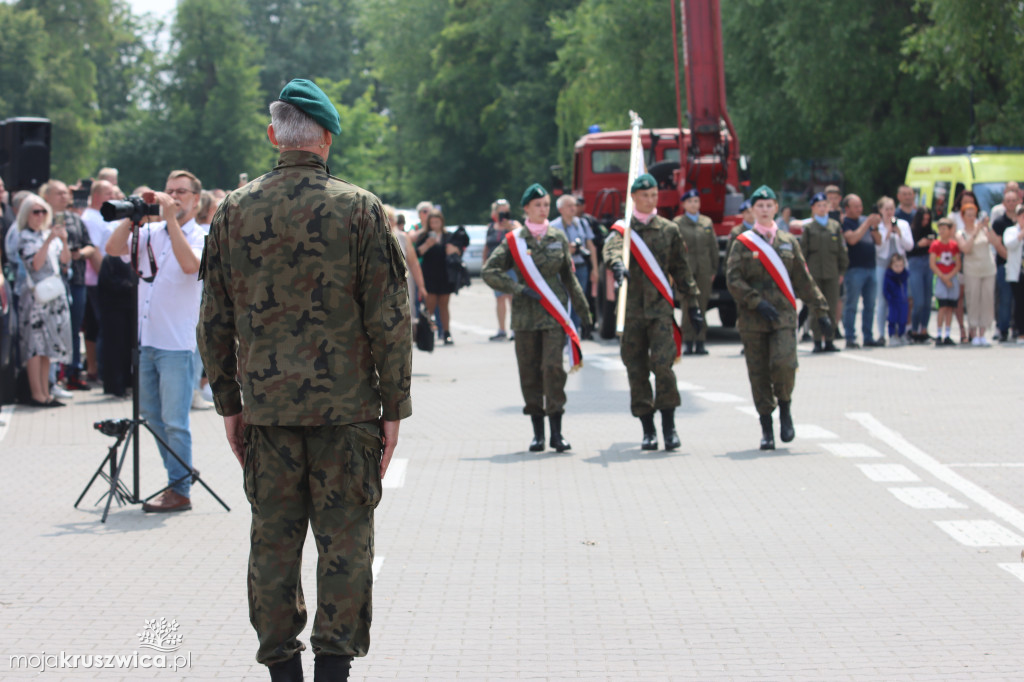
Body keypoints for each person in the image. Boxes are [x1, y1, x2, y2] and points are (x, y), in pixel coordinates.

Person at [197, 79, 412, 682]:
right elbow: (390, 321)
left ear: (274, 136)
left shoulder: (234, 210)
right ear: (328, 138)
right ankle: (333, 671)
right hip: (347, 415)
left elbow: (213, 319)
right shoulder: (360, 209)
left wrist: (228, 405)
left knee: (273, 545)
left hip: (266, 413)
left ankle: (282, 671)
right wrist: (393, 408)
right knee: (345, 544)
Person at [105, 170, 206, 511]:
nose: (173, 196)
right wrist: (134, 216)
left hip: (177, 344)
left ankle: (180, 490)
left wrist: (170, 221)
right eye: (169, 190)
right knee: (151, 415)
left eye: (181, 191)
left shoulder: (201, 236)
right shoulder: (150, 232)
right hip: (146, 339)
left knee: (175, 420)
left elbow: (191, 266)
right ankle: (181, 473)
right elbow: (113, 247)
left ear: (196, 199)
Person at [482, 183, 590, 453]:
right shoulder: (514, 240)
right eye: (538, 205)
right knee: (529, 374)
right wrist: (518, 288)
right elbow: (489, 271)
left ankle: (557, 433)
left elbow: (568, 277)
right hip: (525, 318)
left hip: (554, 317)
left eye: (546, 205)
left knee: (553, 369)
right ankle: (537, 434)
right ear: (527, 208)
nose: (543, 209)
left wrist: (585, 310)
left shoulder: (558, 237)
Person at [603, 174, 704, 450]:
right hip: (632, 312)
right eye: (645, 195)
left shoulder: (669, 230)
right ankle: (648, 429)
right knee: (636, 370)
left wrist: (693, 305)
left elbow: (681, 270)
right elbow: (609, 249)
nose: (650, 199)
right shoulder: (623, 231)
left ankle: (669, 427)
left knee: (663, 367)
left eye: (654, 195)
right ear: (633, 197)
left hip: (660, 311)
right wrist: (616, 265)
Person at [726, 185, 829, 450]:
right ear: (752, 209)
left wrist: (821, 309)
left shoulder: (787, 241)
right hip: (753, 319)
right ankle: (766, 428)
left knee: (785, 364)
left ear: (775, 208)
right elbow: (733, 279)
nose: (763, 209)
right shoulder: (741, 241)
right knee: (758, 373)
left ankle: (785, 407)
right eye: (759, 206)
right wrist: (755, 302)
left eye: (768, 205)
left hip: (783, 316)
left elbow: (803, 280)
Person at [16, 194, 72, 407]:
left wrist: (63, 240)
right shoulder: (25, 237)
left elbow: (65, 261)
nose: (40, 216)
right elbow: (35, 265)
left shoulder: (48, 234)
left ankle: (47, 392)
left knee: (48, 346)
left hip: (53, 297)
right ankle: (36, 393)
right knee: (34, 347)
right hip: (35, 299)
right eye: (35, 212)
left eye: (43, 212)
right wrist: (48, 241)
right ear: (26, 215)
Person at [42, 180, 98, 390]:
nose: (64, 197)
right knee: (51, 329)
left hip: (76, 281)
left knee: (73, 328)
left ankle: (73, 372)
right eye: (59, 193)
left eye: (66, 193)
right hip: (50, 284)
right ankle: (53, 376)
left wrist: (80, 254)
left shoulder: (76, 219)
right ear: (47, 196)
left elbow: (90, 246)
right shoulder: (40, 217)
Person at [800, 192, 848, 352]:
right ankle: (816, 341)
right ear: (813, 208)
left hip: (832, 274)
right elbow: (802, 253)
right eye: (818, 205)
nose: (822, 208)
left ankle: (829, 339)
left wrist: (841, 272)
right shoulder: (808, 228)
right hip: (814, 275)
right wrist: (803, 274)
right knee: (816, 308)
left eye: (824, 205)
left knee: (831, 307)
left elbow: (842, 251)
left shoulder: (835, 226)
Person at [673, 188, 718, 355]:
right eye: (690, 201)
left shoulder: (706, 222)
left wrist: (713, 269)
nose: (694, 204)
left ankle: (700, 341)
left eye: (696, 201)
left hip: (704, 270)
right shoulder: (678, 223)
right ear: (684, 204)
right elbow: (675, 249)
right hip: (686, 271)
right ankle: (688, 341)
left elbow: (712, 247)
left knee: (702, 305)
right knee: (687, 306)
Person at [80, 179, 116, 383]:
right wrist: (107, 277)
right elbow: (92, 250)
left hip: (100, 280)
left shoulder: (99, 216)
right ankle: (102, 371)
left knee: (97, 326)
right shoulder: (92, 218)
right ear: (95, 196)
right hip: (98, 281)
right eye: (107, 194)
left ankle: (98, 369)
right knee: (103, 326)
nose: (112, 197)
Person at [955, 202, 1004, 346]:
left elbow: (995, 242)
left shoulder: (984, 230)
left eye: (974, 215)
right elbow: (965, 248)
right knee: (973, 300)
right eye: (968, 215)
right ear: (963, 217)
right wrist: (975, 232)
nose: (972, 218)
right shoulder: (961, 233)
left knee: (987, 300)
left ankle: (983, 333)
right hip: (972, 270)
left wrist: (986, 228)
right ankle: (973, 332)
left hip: (988, 268)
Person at [551, 194, 598, 339]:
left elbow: (591, 246)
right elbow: (549, 250)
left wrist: (595, 269)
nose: (573, 208)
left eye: (574, 205)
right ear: (560, 209)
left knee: (579, 300)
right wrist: (566, 250)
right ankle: (563, 333)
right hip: (562, 268)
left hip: (581, 267)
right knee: (562, 300)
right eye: (569, 206)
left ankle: (574, 332)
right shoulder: (553, 226)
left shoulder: (582, 223)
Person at [841, 194, 882, 348]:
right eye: (855, 206)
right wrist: (866, 223)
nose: (859, 209)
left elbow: (878, 241)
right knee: (851, 304)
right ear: (847, 208)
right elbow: (852, 239)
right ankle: (850, 337)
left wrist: (875, 227)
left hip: (871, 267)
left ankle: (868, 336)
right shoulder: (845, 223)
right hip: (854, 269)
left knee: (870, 305)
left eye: (860, 206)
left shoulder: (865, 221)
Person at [415, 208, 458, 345]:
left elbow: (458, 251)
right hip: (429, 275)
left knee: (444, 305)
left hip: (445, 275)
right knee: (430, 306)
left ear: (442, 222)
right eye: (432, 222)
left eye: (437, 222)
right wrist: (427, 245)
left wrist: (454, 250)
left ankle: (446, 333)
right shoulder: (424, 236)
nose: (435, 225)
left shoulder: (448, 236)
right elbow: (417, 254)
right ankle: (426, 334)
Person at [873, 196, 913, 344]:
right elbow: (879, 248)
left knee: (902, 299)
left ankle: (901, 332)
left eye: (892, 208)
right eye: (886, 209)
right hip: (883, 265)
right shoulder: (878, 226)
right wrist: (888, 231)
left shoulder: (903, 224)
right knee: (883, 299)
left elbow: (909, 246)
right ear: (881, 211)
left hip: (900, 266)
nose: (890, 212)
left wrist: (899, 232)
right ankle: (882, 333)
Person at [483, 199, 515, 341]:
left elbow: (521, 236)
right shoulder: (491, 227)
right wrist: (485, 265)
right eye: (500, 211)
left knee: (512, 297)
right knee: (499, 298)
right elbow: (486, 247)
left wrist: (509, 226)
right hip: (495, 267)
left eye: (505, 211)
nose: (503, 214)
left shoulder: (514, 225)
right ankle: (502, 330)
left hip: (511, 266)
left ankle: (515, 330)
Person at [989, 188, 1019, 341]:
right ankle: (1003, 329)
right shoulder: (999, 222)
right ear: (1004, 203)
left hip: (1019, 266)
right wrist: (1011, 259)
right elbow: (997, 244)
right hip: (1004, 265)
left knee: (1018, 300)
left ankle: (1017, 328)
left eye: (1014, 200)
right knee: (1005, 299)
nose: (1011, 203)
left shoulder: (1021, 220)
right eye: (1009, 201)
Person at [929, 218, 961, 346]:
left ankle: (947, 334)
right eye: (940, 229)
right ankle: (938, 334)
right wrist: (943, 277)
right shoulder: (935, 245)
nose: (941, 231)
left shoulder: (954, 245)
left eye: (944, 229)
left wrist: (950, 277)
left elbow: (958, 264)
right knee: (941, 307)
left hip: (951, 278)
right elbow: (932, 264)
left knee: (950, 307)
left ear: (950, 230)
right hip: (941, 278)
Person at [906, 208, 935, 342]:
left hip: (928, 263)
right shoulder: (911, 231)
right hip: (915, 264)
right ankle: (914, 329)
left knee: (928, 300)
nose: (925, 222)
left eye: (928, 219)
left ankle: (924, 329)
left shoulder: (931, 231)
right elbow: (908, 250)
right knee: (918, 301)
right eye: (923, 219)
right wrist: (919, 244)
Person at [1002, 204, 1024, 342]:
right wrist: (1021, 233)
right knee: (1019, 303)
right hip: (1017, 273)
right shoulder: (1011, 231)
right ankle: (1020, 332)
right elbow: (1010, 244)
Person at [883, 253, 910, 345]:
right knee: (892, 319)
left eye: (901, 266)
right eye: (896, 266)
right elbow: (885, 290)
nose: (899, 268)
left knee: (903, 319)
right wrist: (890, 298)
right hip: (893, 302)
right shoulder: (889, 276)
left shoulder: (904, 276)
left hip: (903, 301)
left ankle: (902, 335)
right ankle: (892, 336)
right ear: (891, 266)